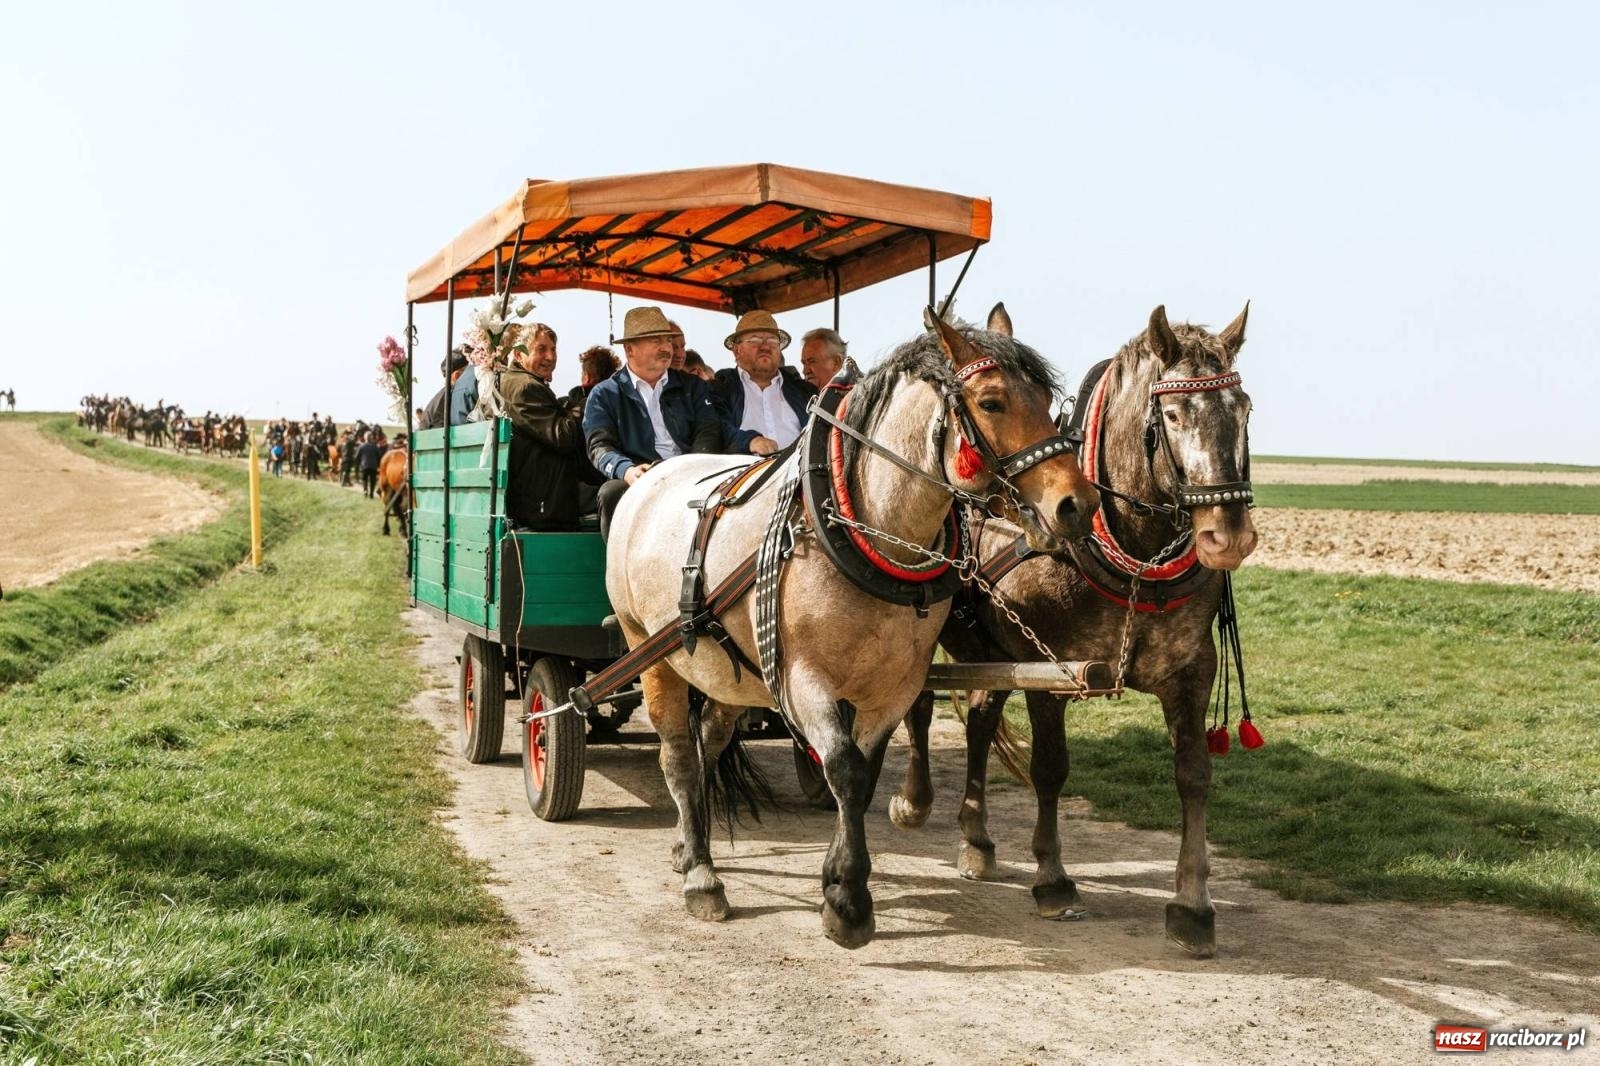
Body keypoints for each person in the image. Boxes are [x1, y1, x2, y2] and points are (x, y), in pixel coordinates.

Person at [583, 305, 724, 539]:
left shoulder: (693, 386)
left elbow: (708, 430)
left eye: (668, 340)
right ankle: (620, 573)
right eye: (655, 340)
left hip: (691, 470)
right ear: (630, 349)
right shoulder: (605, 394)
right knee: (611, 494)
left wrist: (695, 467)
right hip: (641, 475)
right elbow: (599, 447)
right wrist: (626, 470)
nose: (666, 347)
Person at [499, 324, 592, 531]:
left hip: (541, 493)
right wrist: (587, 404)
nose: (550, 356)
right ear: (519, 354)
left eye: (553, 349)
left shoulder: (519, 381)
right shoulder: (526, 387)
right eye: (541, 349)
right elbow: (563, 437)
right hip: (544, 502)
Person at [711, 309, 816, 456]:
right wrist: (749, 441)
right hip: (743, 474)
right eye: (755, 340)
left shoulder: (805, 391)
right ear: (736, 350)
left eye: (773, 341)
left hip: (801, 473)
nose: (765, 347)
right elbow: (717, 428)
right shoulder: (720, 388)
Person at [356, 432, 382, 498]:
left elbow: (357, 457)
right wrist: (379, 465)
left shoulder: (361, 446)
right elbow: (379, 456)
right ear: (371, 438)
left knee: (364, 479)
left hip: (364, 465)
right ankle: (371, 494)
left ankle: (365, 490)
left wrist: (358, 464)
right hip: (373, 466)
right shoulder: (375, 446)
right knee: (372, 480)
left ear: (365, 438)